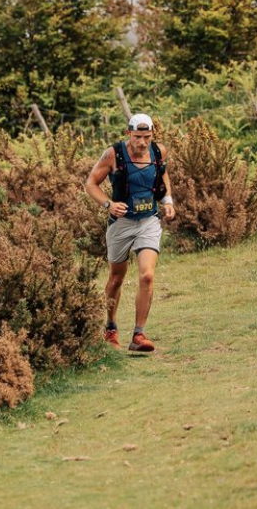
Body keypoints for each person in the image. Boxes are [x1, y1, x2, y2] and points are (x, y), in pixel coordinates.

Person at [85, 113, 175, 352]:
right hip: (121, 224)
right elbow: (91, 183)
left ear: (153, 135)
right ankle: (111, 327)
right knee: (116, 279)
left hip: (148, 220)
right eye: (137, 137)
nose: (142, 142)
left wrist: (168, 200)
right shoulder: (113, 154)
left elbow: (163, 174)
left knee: (147, 275)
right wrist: (108, 204)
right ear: (128, 134)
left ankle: (139, 335)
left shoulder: (159, 152)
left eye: (147, 137)